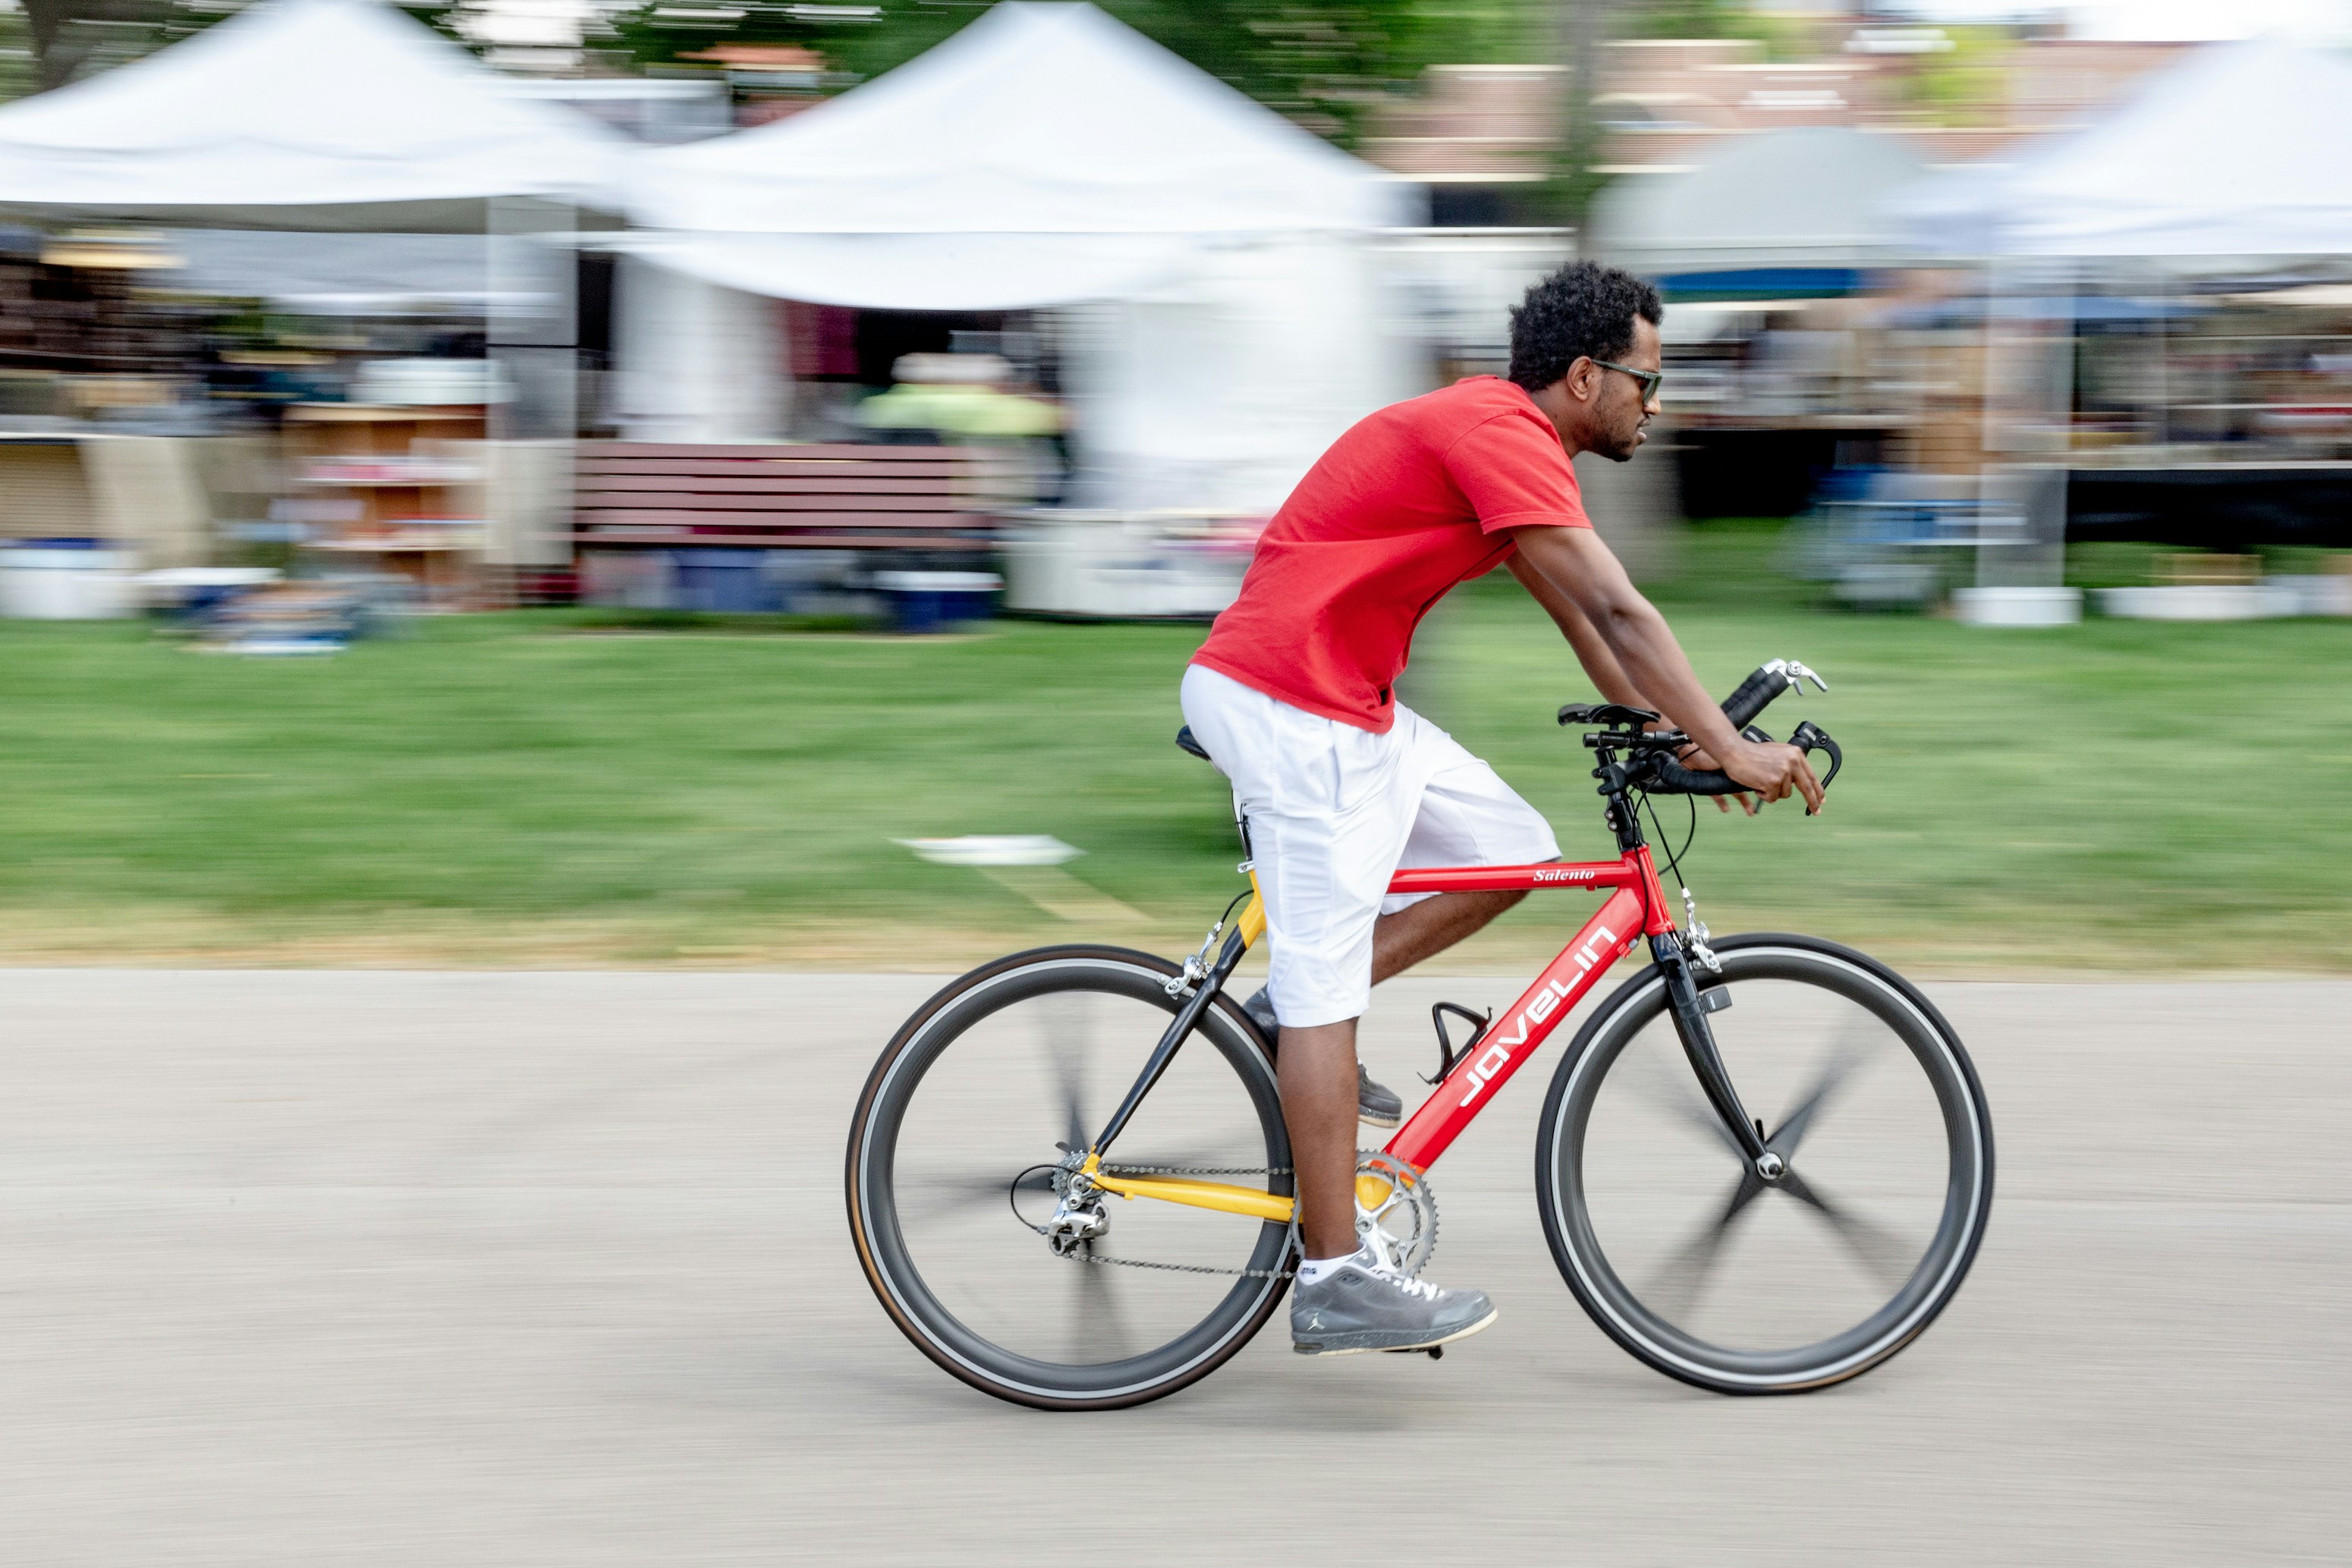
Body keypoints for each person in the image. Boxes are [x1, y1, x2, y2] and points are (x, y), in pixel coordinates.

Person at [1179, 261, 1823, 1357]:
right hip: (1294, 706)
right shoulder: (1496, 429)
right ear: (1585, 377)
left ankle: (1291, 1025)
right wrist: (1728, 745)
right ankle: (1333, 1277)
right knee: (1327, 975)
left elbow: (1586, 621)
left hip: (1345, 704)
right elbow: (1621, 606)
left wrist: (1671, 738)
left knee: (1511, 848)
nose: (1654, 407)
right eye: (1647, 382)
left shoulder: (1511, 450)